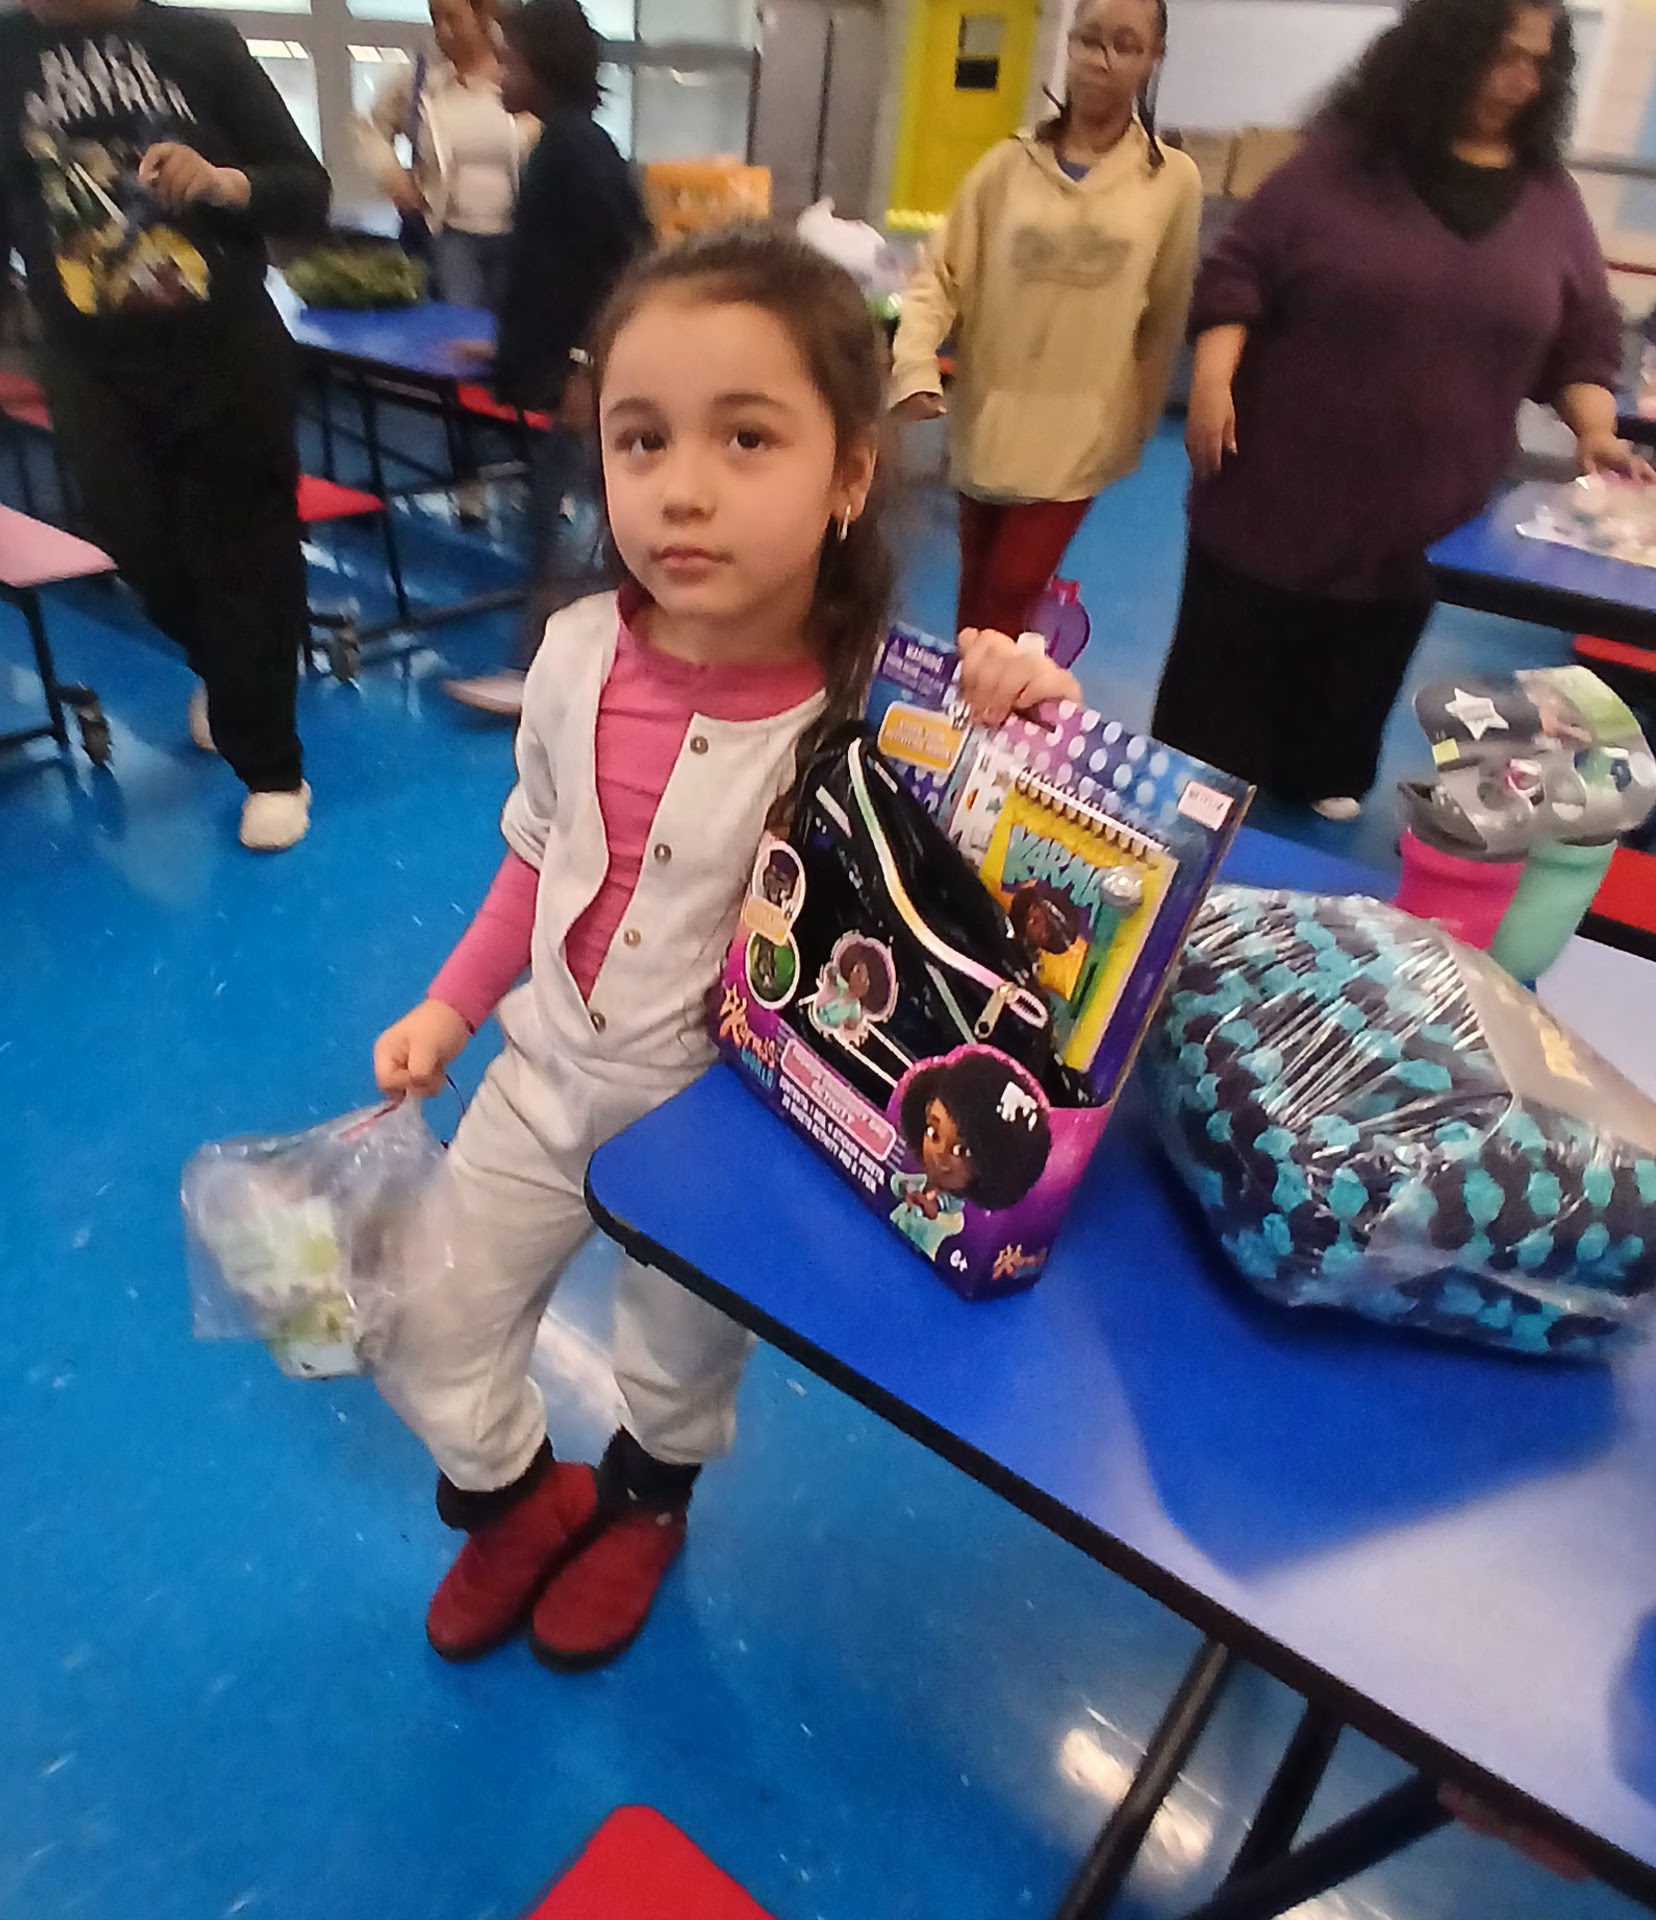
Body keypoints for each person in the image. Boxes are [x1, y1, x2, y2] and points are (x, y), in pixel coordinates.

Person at [368, 230, 1082, 1673]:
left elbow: (1036, 870)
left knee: (679, 1356)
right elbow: (536, 849)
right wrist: (453, 1004)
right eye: (640, 440)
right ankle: (513, 1501)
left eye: (746, 437)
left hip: (731, 1118)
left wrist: (1024, 707)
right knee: (426, 1316)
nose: (681, 488)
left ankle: (641, 1504)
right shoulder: (574, 653)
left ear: (850, 474)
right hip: (545, 1070)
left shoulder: (898, 708)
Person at [1151, 0, 1648, 821]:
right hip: (1274, 501)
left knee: (1348, 706)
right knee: (1208, 745)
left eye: (1536, 62)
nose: (1518, 82)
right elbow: (1239, 271)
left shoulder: (1548, 201)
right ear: (1442, 52)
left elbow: (1583, 338)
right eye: (1499, 57)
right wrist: (1212, 380)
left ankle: (1324, 765)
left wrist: (1595, 431)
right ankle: (1200, 787)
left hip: (1414, 525)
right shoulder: (1342, 165)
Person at [0, 0, 330, 851]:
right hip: (90, 363)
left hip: (222, 348)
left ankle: (271, 766)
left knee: (245, 551)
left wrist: (226, 183)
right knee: (137, 541)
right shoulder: (2, 52)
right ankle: (227, 674)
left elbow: (306, 190)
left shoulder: (199, 42)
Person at [890, 0, 1201, 640]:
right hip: (989, 416)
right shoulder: (1005, 168)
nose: (1102, 60)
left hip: (1081, 429)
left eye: (1126, 44)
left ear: (1154, 58)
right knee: (975, 589)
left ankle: (983, 723)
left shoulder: (1172, 183)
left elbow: (1164, 315)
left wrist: (1135, 423)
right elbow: (939, 276)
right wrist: (916, 363)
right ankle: (961, 727)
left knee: (1009, 591)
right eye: (1089, 40)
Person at [441, 0, 651, 719]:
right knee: (570, 519)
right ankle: (572, 662)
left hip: (586, 380)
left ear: (547, 66)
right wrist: (507, 341)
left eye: (512, 58)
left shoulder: (576, 149)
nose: (500, 70)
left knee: (571, 525)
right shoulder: (555, 145)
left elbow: (625, 263)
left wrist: (589, 365)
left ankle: (542, 668)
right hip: (563, 365)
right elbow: (550, 269)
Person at [353, 0, 531, 314]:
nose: (442, 31)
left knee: (509, 329)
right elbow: (370, 129)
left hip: (518, 235)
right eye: (435, 18)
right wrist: (392, 174)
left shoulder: (522, 76)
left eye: (452, 18)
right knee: (460, 326)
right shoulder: (422, 78)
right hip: (450, 235)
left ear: (483, 17)